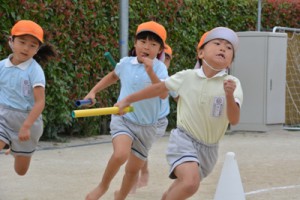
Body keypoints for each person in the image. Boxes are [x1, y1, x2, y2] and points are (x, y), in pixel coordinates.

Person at [115, 27, 243, 200]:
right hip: (184, 140)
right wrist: (127, 100)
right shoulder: (186, 77)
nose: (223, 49)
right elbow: (158, 88)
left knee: (183, 187)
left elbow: (234, 120)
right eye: (218, 43)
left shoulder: (233, 83)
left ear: (230, 62)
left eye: (229, 48)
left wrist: (228, 95)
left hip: (210, 150)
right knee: (190, 183)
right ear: (201, 53)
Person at [84, 21, 169, 200]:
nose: (147, 47)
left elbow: (162, 94)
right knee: (121, 154)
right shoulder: (125, 64)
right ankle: (102, 186)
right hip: (124, 120)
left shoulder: (160, 69)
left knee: (132, 171)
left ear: (160, 50)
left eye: (153, 44)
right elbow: (113, 76)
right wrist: (93, 91)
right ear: (135, 43)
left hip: (147, 127)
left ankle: (120, 196)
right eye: (143, 41)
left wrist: (151, 71)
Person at [0, 20, 56, 175]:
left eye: (32, 45)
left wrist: (25, 126)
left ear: (37, 49)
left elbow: (40, 102)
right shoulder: (1, 66)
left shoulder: (35, 71)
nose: (26, 48)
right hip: (3, 117)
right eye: (22, 42)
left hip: (28, 122)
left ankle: (15, 149)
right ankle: (9, 142)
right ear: (11, 41)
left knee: (21, 171)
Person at [130, 44, 178, 193]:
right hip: (141, 119)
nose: (163, 62)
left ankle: (140, 174)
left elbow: (178, 98)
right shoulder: (142, 74)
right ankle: (140, 174)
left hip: (158, 122)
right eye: (161, 58)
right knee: (136, 147)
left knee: (137, 147)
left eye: (167, 59)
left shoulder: (168, 80)